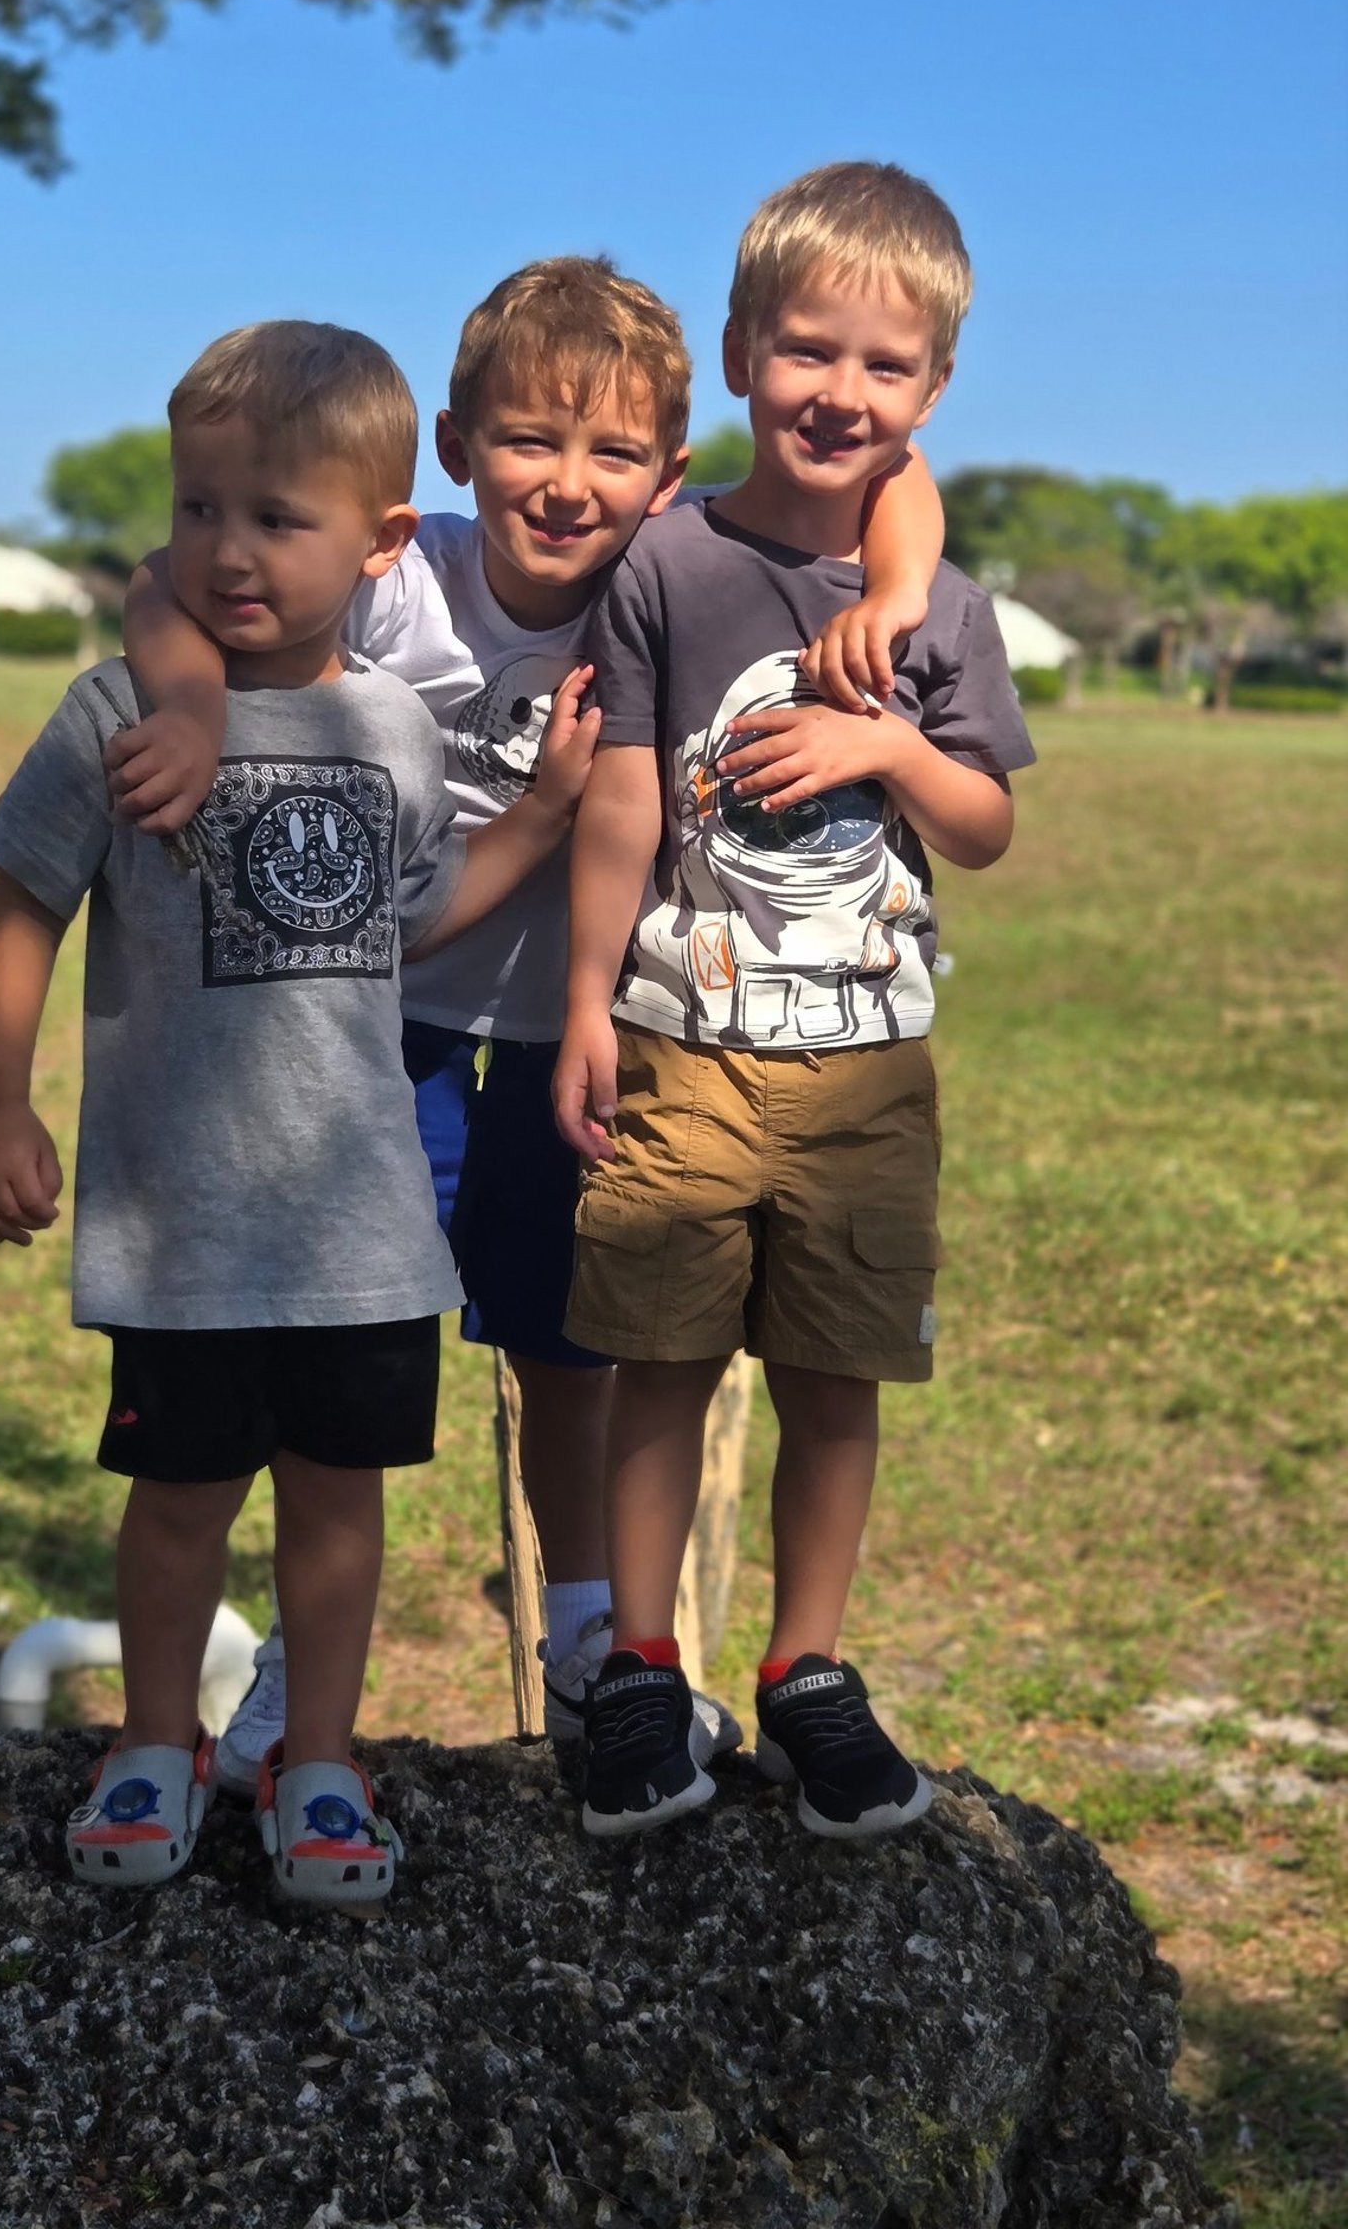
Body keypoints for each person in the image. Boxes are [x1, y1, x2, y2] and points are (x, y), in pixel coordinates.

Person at [110, 257, 945, 1779]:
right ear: (453, 447)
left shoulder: (673, 573)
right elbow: (162, 579)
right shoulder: (398, 574)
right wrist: (193, 704)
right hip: (368, 1031)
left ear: (669, 473)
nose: (567, 485)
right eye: (527, 441)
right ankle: (298, 1664)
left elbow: (890, 474)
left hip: (578, 1036)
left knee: (569, 1347)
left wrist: (895, 596)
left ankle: (587, 1643)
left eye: (613, 451)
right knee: (336, 1351)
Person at [0, 320, 593, 1906]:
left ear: (382, 541)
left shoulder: (393, 726)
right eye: (199, 509)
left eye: (276, 518)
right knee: (177, 1506)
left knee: (335, 1510)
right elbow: (22, 905)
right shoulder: (118, 711)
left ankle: (317, 1759)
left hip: (359, 1228)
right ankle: (153, 1743)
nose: (227, 552)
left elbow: (412, 920)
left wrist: (539, 819)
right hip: (180, 1219)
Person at [553, 163, 1036, 1841]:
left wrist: (890, 742)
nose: (842, 392)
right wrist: (590, 997)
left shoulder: (941, 609)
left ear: (935, 391)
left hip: (865, 1070)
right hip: (683, 1040)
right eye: (808, 350)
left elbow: (983, 826)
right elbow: (624, 792)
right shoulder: (667, 562)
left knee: (838, 1378)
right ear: (745, 350)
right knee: (658, 1360)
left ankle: (807, 1670)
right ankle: (640, 1667)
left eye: (886, 366)